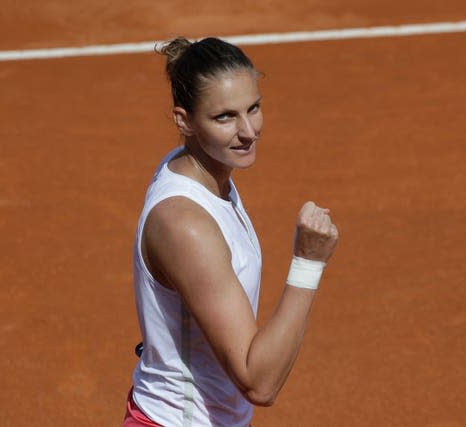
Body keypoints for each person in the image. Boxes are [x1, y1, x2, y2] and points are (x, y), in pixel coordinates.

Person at [123, 36, 339, 427]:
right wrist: (308, 262)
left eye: (253, 108)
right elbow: (259, 382)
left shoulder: (199, 168)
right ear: (183, 120)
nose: (248, 131)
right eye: (224, 117)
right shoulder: (185, 225)